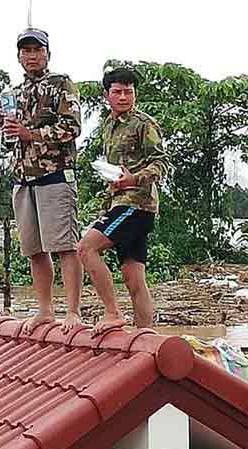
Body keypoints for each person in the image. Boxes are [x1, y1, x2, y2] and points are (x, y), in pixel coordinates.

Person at [2, 27, 84, 333]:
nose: (31, 56)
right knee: (34, 250)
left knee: (65, 246)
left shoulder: (62, 84)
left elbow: (72, 128)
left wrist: (30, 133)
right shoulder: (13, 93)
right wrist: (9, 130)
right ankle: (45, 310)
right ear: (19, 56)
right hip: (22, 179)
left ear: (47, 53)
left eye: (37, 50)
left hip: (55, 176)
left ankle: (73, 312)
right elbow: (8, 141)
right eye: (26, 51)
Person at [77, 66, 167, 336]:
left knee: (86, 248)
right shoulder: (108, 125)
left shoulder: (143, 123)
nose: (124, 97)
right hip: (119, 202)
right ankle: (145, 337)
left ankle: (113, 313)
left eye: (129, 91)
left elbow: (161, 163)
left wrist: (134, 179)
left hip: (136, 204)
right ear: (107, 95)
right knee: (133, 276)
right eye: (118, 92)